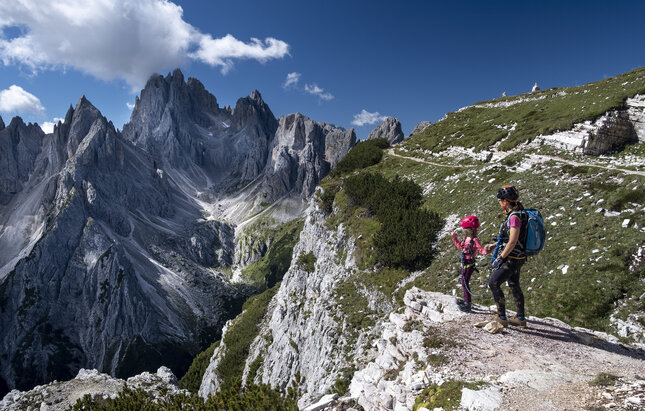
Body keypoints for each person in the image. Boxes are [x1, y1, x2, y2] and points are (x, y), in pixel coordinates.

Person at [484, 185, 528, 327]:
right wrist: (494, 246)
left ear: (505, 201)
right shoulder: (521, 213)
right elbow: (514, 239)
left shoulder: (514, 217)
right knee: (514, 284)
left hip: (511, 258)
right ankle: (520, 318)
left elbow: (513, 241)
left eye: (500, 200)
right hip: (519, 257)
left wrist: (500, 257)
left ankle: (502, 317)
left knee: (494, 283)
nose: (499, 203)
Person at [451, 215, 487, 312]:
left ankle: (468, 304)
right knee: (464, 282)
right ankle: (467, 301)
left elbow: (481, 250)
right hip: (464, 263)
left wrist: (487, 250)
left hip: (469, 264)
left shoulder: (474, 240)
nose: (462, 229)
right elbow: (460, 247)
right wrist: (454, 238)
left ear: (469, 229)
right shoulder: (466, 238)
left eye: (464, 228)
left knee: (464, 283)